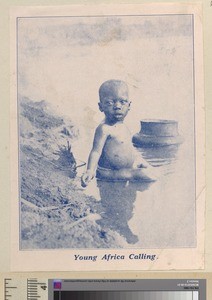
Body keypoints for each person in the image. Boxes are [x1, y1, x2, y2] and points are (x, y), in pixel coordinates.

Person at [81, 79, 156, 187]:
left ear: (129, 105)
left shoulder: (124, 126)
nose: (117, 106)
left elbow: (128, 148)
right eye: (110, 103)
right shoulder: (104, 128)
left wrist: (138, 160)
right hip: (109, 173)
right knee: (149, 177)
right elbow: (96, 152)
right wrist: (90, 170)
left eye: (122, 102)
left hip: (124, 170)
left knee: (150, 169)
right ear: (100, 106)